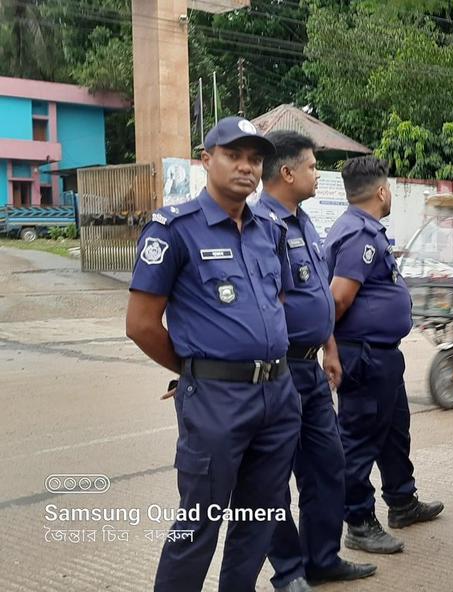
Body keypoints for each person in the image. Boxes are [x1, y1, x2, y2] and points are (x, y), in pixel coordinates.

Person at [125, 117, 300, 591]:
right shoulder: (174, 230)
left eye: (255, 159)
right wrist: (194, 369)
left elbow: (276, 302)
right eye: (234, 155)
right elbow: (140, 325)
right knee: (199, 522)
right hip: (216, 401)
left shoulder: (270, 229)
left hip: (277, 397)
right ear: (207, 159)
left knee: (260, 517)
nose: (246, 167)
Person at [258, 131, 377, 590]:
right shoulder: (259, 225)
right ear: (287, 172)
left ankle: (322, 559)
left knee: (327, 464)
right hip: (279, 370)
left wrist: (329, 347)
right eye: (311, 166)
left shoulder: (303, 221)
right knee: (271, 478)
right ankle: (288, 571)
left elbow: (314, 296)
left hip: (310, 367)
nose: (317, 174)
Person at [326, 156, 444, 555]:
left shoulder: (365, 229)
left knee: (394, 433)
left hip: (381, 356)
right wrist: (329, 348)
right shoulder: (358, 234)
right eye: (389, 188)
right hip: (364, 355)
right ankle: (358, 522)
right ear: (381, 191)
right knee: (358, 442)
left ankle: (402, 501)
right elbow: (338, 299)